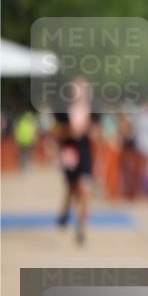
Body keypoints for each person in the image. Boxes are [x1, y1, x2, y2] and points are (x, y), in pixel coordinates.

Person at [54, 76, 94, 245]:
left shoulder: (93, 111)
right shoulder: (63, 111)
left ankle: (81, 227)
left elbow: (98, 133)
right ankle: (64, 213)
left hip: (84, 153)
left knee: (84, 189)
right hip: (70, 153)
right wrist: (70, 133)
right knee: (71, 189)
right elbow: (56, 133)